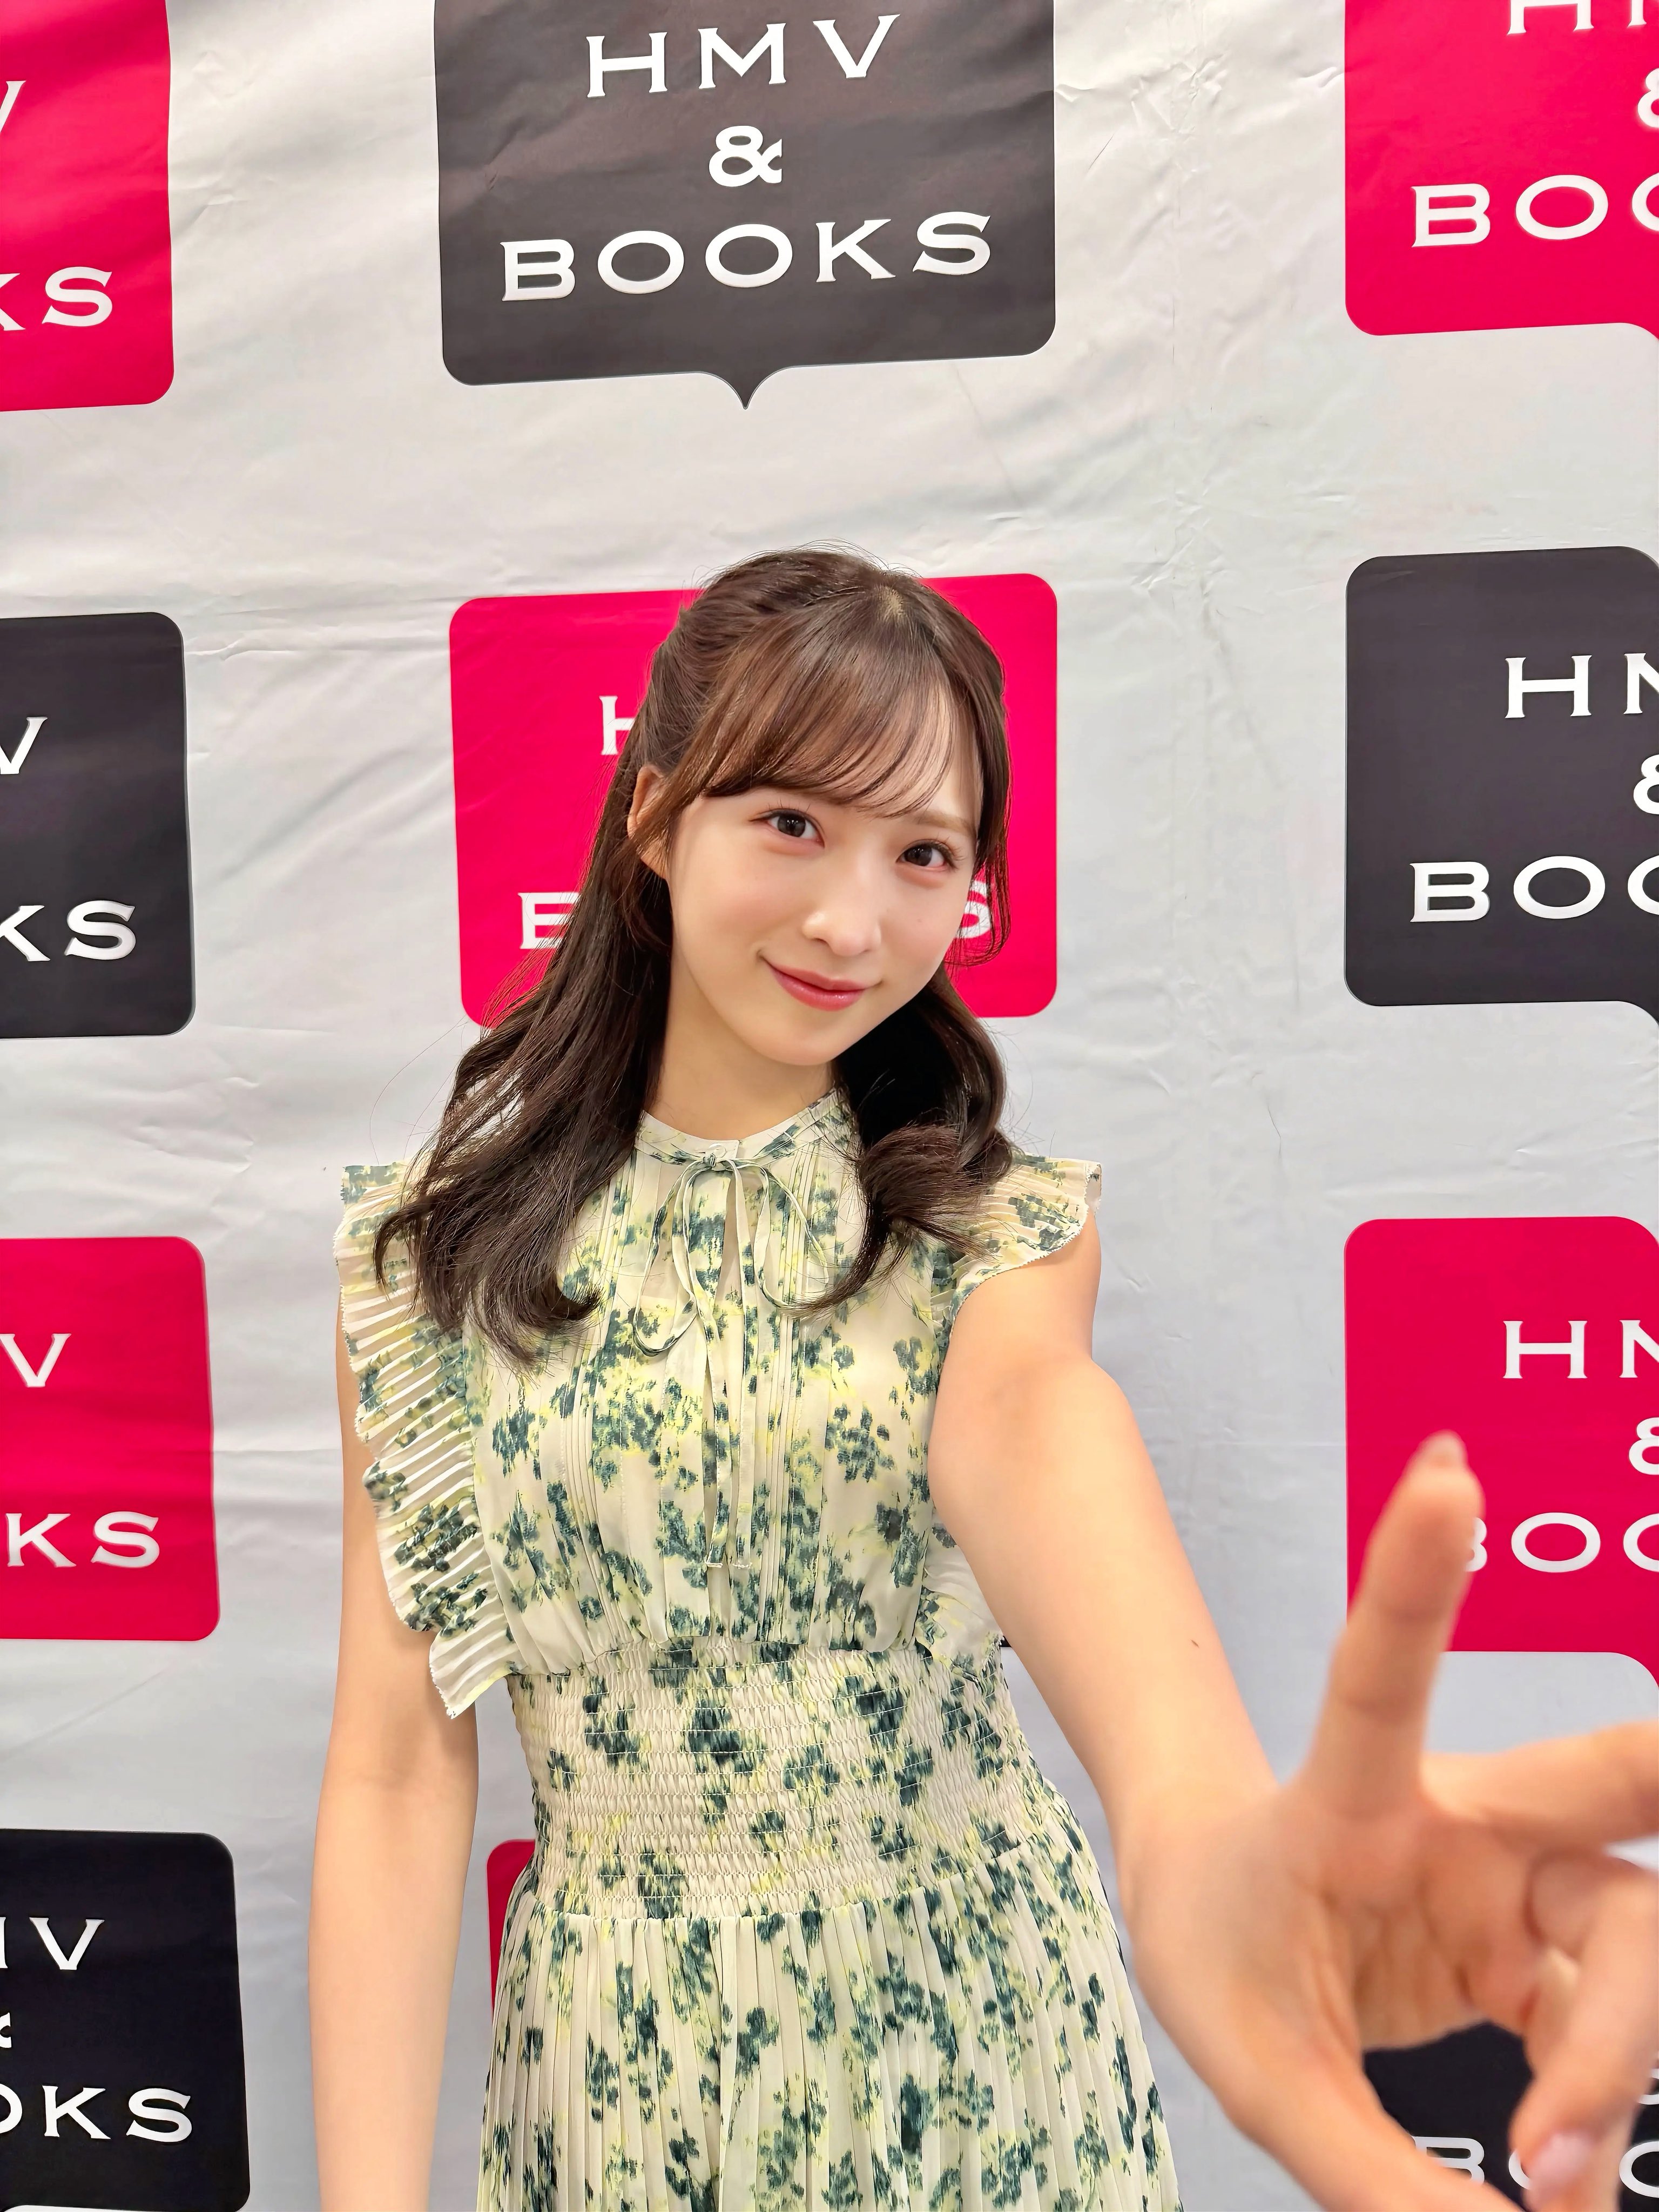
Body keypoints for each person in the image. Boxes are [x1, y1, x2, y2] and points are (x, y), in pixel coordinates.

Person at [311, 549, 1657, 2212]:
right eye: (791, 822)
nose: (851, 920)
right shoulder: (426, 1259)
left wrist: (1206, 1837)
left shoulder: (994, 1237)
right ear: (655, 818)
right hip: (616, 2066)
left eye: (924, 854)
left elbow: (1035, 1440)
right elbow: (394, 1770)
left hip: (975, 2045)